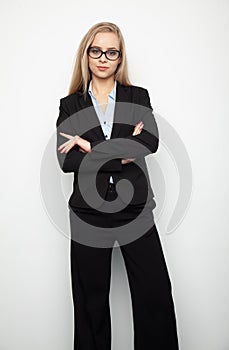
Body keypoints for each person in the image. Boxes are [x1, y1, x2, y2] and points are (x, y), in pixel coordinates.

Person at [56, 22, 179, 350]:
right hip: (87, 215)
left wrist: (92, 151)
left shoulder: (137, 97)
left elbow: (149, 143)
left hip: (135, 210)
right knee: (90, 304)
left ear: (120, 57)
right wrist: (124, 148)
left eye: (111, 52)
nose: (103, 58)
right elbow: (67, 162)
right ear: (86, 54)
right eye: (96, 50)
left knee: (154, 295)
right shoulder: (71, 104)